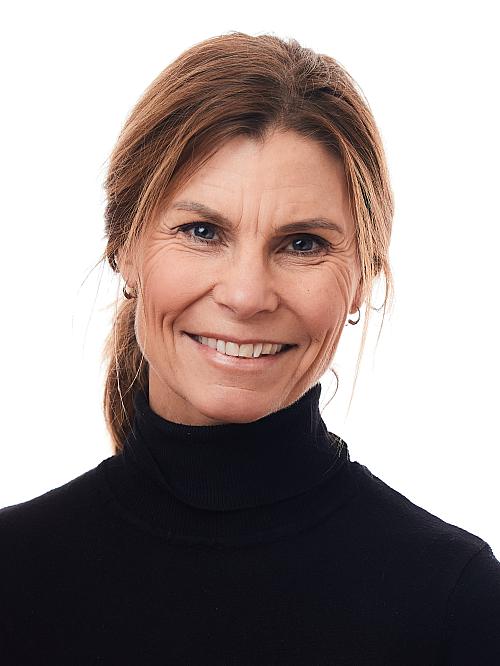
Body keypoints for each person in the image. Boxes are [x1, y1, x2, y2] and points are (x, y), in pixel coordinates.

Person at [1, 31, 499, 665]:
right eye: (202, 231)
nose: (246, 295)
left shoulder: (455, 601)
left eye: (303, 244)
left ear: (362, 279)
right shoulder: (13, 575)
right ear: (124, 247)